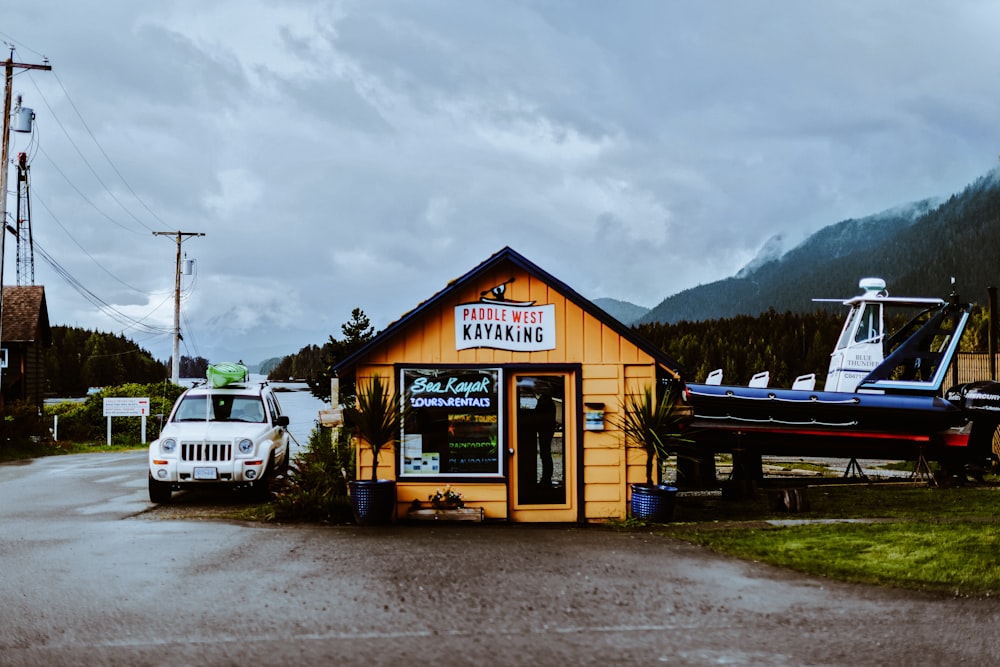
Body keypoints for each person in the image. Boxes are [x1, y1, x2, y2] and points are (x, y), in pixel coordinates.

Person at [534, 389, 557, 486]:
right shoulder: (550, 403)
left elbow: (537, 414)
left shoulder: (544, 402)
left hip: (544, 430)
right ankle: (546, 478)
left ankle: (546, 478)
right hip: (548, 429)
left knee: (545, 454)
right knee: (546, 453)